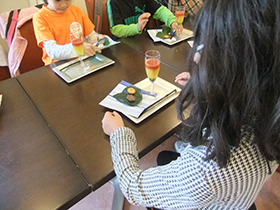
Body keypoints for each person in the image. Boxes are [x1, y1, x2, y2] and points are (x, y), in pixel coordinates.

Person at [102, 0, 280, 209]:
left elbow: (133, 186)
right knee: (165, 157)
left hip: (207, 196)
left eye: (212, 47)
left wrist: (119, 134)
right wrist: (208, 84)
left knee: (160, 160)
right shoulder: (269, 114)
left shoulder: (206, 171)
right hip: (238, 199)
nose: (196, 56)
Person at [33, 0, 103, 65]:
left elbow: (91, 37)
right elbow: (52, 51)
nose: (63, 5)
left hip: (81, 60)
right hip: (57, 63)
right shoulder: (40, 17)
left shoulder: (76, 10)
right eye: (57, 0)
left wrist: (99, 38)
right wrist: (79, 48)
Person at [106, 0, 183, 39]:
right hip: (122, 45)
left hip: (144, 42)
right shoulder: (112, 2)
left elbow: (160, 10)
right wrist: (137, 28)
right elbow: (116, 29)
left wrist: (172, 21)